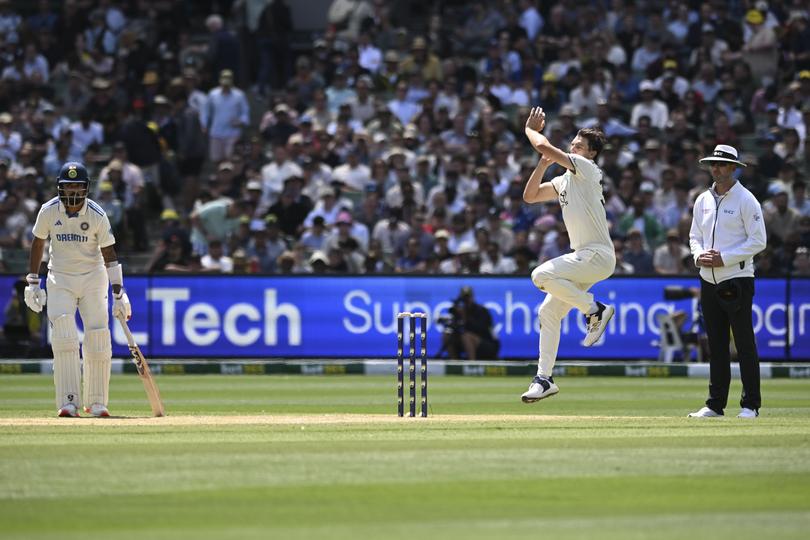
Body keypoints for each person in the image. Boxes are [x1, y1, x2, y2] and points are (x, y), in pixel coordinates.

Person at [519, 107, 616, 403]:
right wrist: (542, 165)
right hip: (584, 258)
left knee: (540, 275)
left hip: (597, 254)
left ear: (591, 154)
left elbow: (542, 143)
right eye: (572, 143)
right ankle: (544, 379)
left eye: (579, 146)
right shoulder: (563, 181)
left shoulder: (586, 169)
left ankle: (594, 309)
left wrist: (529, 129)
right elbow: (530, 196)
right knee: (547, 312)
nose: (573, 147)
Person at [24, 162, 131, 418]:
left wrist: (119, 293)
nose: (73, 191)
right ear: (60, 188)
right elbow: (38, 243)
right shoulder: (48, 211)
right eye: (68, 186)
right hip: (60, 278)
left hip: (94, 278)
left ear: (86, 189)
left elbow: (110, 255)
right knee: (63, 336)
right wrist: (32, 281)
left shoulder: (97, 214)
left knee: (97, 337)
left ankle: (96, 403)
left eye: (78, 186)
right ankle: (68, 401)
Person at [687, 145, 766, 418]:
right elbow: (694, 236)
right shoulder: (702, 200)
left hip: (737, 278)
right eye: (713, 164)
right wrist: (698, 257)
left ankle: (750, 405)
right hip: (708, 280)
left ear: (733, 168)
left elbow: (759, 241)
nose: (716, 168)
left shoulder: (746, 200)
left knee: (744, 343)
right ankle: (715, 405)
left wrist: (726, 259)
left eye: (722, 164)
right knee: (716, 344)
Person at [440, 286, 499, 360]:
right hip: (466, 343)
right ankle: (455, 363)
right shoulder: (459, 311)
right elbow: (456, 326)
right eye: (464, 299)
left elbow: (481, 330)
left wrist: (465, 317)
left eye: (468, 298)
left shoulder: (481, 310)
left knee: (467, 336)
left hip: (486, 343)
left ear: (472, 297)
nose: (466, 301)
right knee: (447, 335)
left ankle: (471, 365)